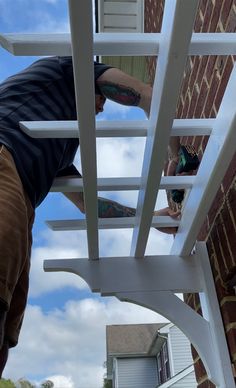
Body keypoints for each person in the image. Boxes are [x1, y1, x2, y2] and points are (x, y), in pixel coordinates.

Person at [0, 56, 180, 376]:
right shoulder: (65, 68)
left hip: (21, 196)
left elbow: (88, 205)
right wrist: (176, 156)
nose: (101, 110)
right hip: (3, 162)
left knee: (5, 332)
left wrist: (151, 218)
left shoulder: (57, 146)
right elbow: (149, 95)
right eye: (101, 102)